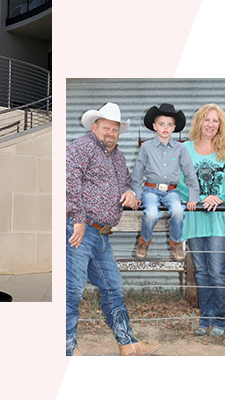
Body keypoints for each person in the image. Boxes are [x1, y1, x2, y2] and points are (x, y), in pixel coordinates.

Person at [66, 102, 162, 357]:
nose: (111, 133)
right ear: (95, 126)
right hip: (80, 229)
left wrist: (129, 192)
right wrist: (76, 217)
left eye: (115, 130)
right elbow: (69, 180)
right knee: (72, 291)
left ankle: (128, 344)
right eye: (107, 128)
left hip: (101, 234)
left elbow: (124, 183)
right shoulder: (80, 148)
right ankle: (65, 350)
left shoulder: (118, 157)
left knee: (113, 287)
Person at [177, 104, 225, 338]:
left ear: (221, 124)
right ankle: (205, 318)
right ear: (199, 122)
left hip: (220, 218)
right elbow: (179, 182)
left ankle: (222, 319)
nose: (210, 124)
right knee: (201, 271)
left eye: (215, 121)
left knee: (216, 269)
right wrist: (200, 197)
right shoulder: (185, 148)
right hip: (195, 217)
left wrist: (223, 197)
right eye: (206, 120)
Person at [131, 103, 199, 260]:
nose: (165, 128)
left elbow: (190, 173)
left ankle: (176, 242)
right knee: (152, 214)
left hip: (171, 191)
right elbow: (137, 173)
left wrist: (193, 196)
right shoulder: (146, 147)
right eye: (161, 124)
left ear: (174, 127)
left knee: (178, 211)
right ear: (154, 126)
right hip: (150, 190)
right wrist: (137, 195)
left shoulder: (180, 149)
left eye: (169, 124)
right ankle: (144, 241)